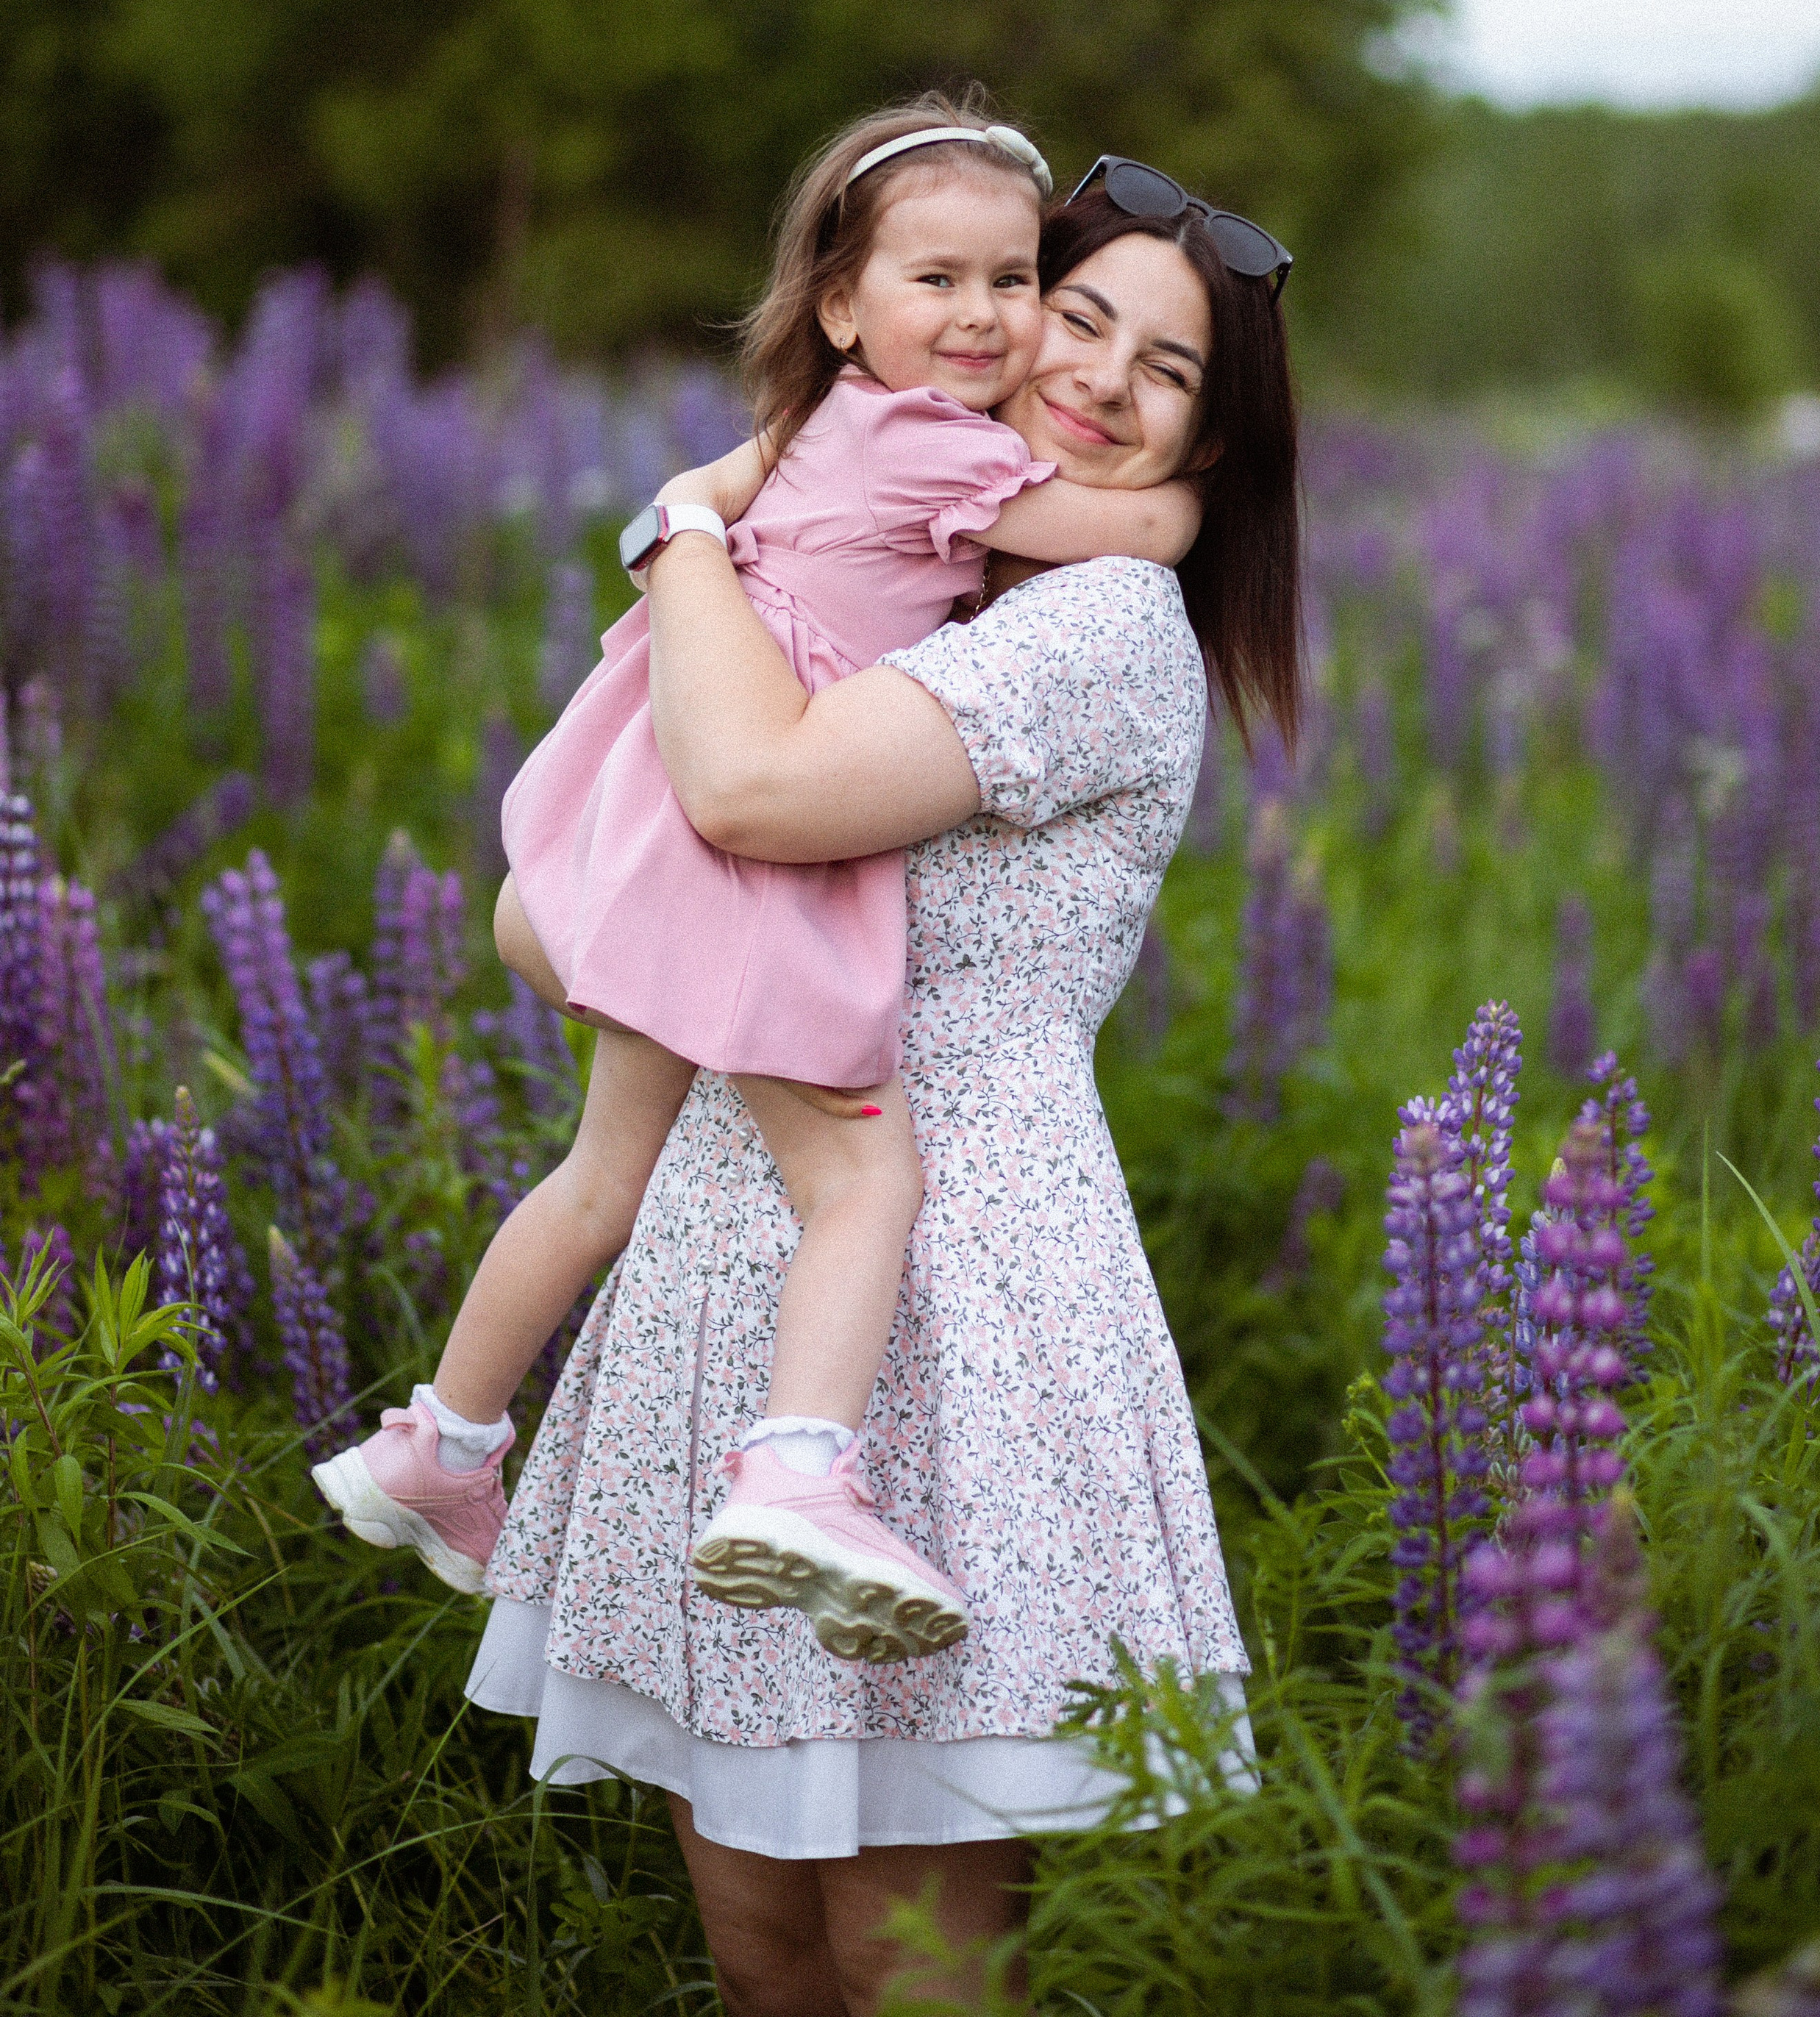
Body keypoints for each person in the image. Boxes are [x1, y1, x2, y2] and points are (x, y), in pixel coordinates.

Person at [468, 158, 1304, 2013]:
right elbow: (543, 912)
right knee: (762, 1941)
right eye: (1073, 313)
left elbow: (744, 800)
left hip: (961, 1294)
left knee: (902, 1948)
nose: (1092, 373)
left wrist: (685, 527)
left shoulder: (1086, 635)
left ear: (1208, 442)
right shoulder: (902, 581)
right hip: (728, 1266)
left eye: (1165, 369)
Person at [311, 101, 1199, 1649]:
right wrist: (1191, 498)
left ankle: (439, 1446)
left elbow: (706, 499)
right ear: (842, 304)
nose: (985, 316)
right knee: (862, 1177)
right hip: (741, 857)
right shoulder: (944, 447)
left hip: (646, 808)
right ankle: (795, 1474)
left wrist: (689, 513)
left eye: (1010, 280)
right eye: (940, 282)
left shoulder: (828, 424)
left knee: (602, 1178)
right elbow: (1123, 522)